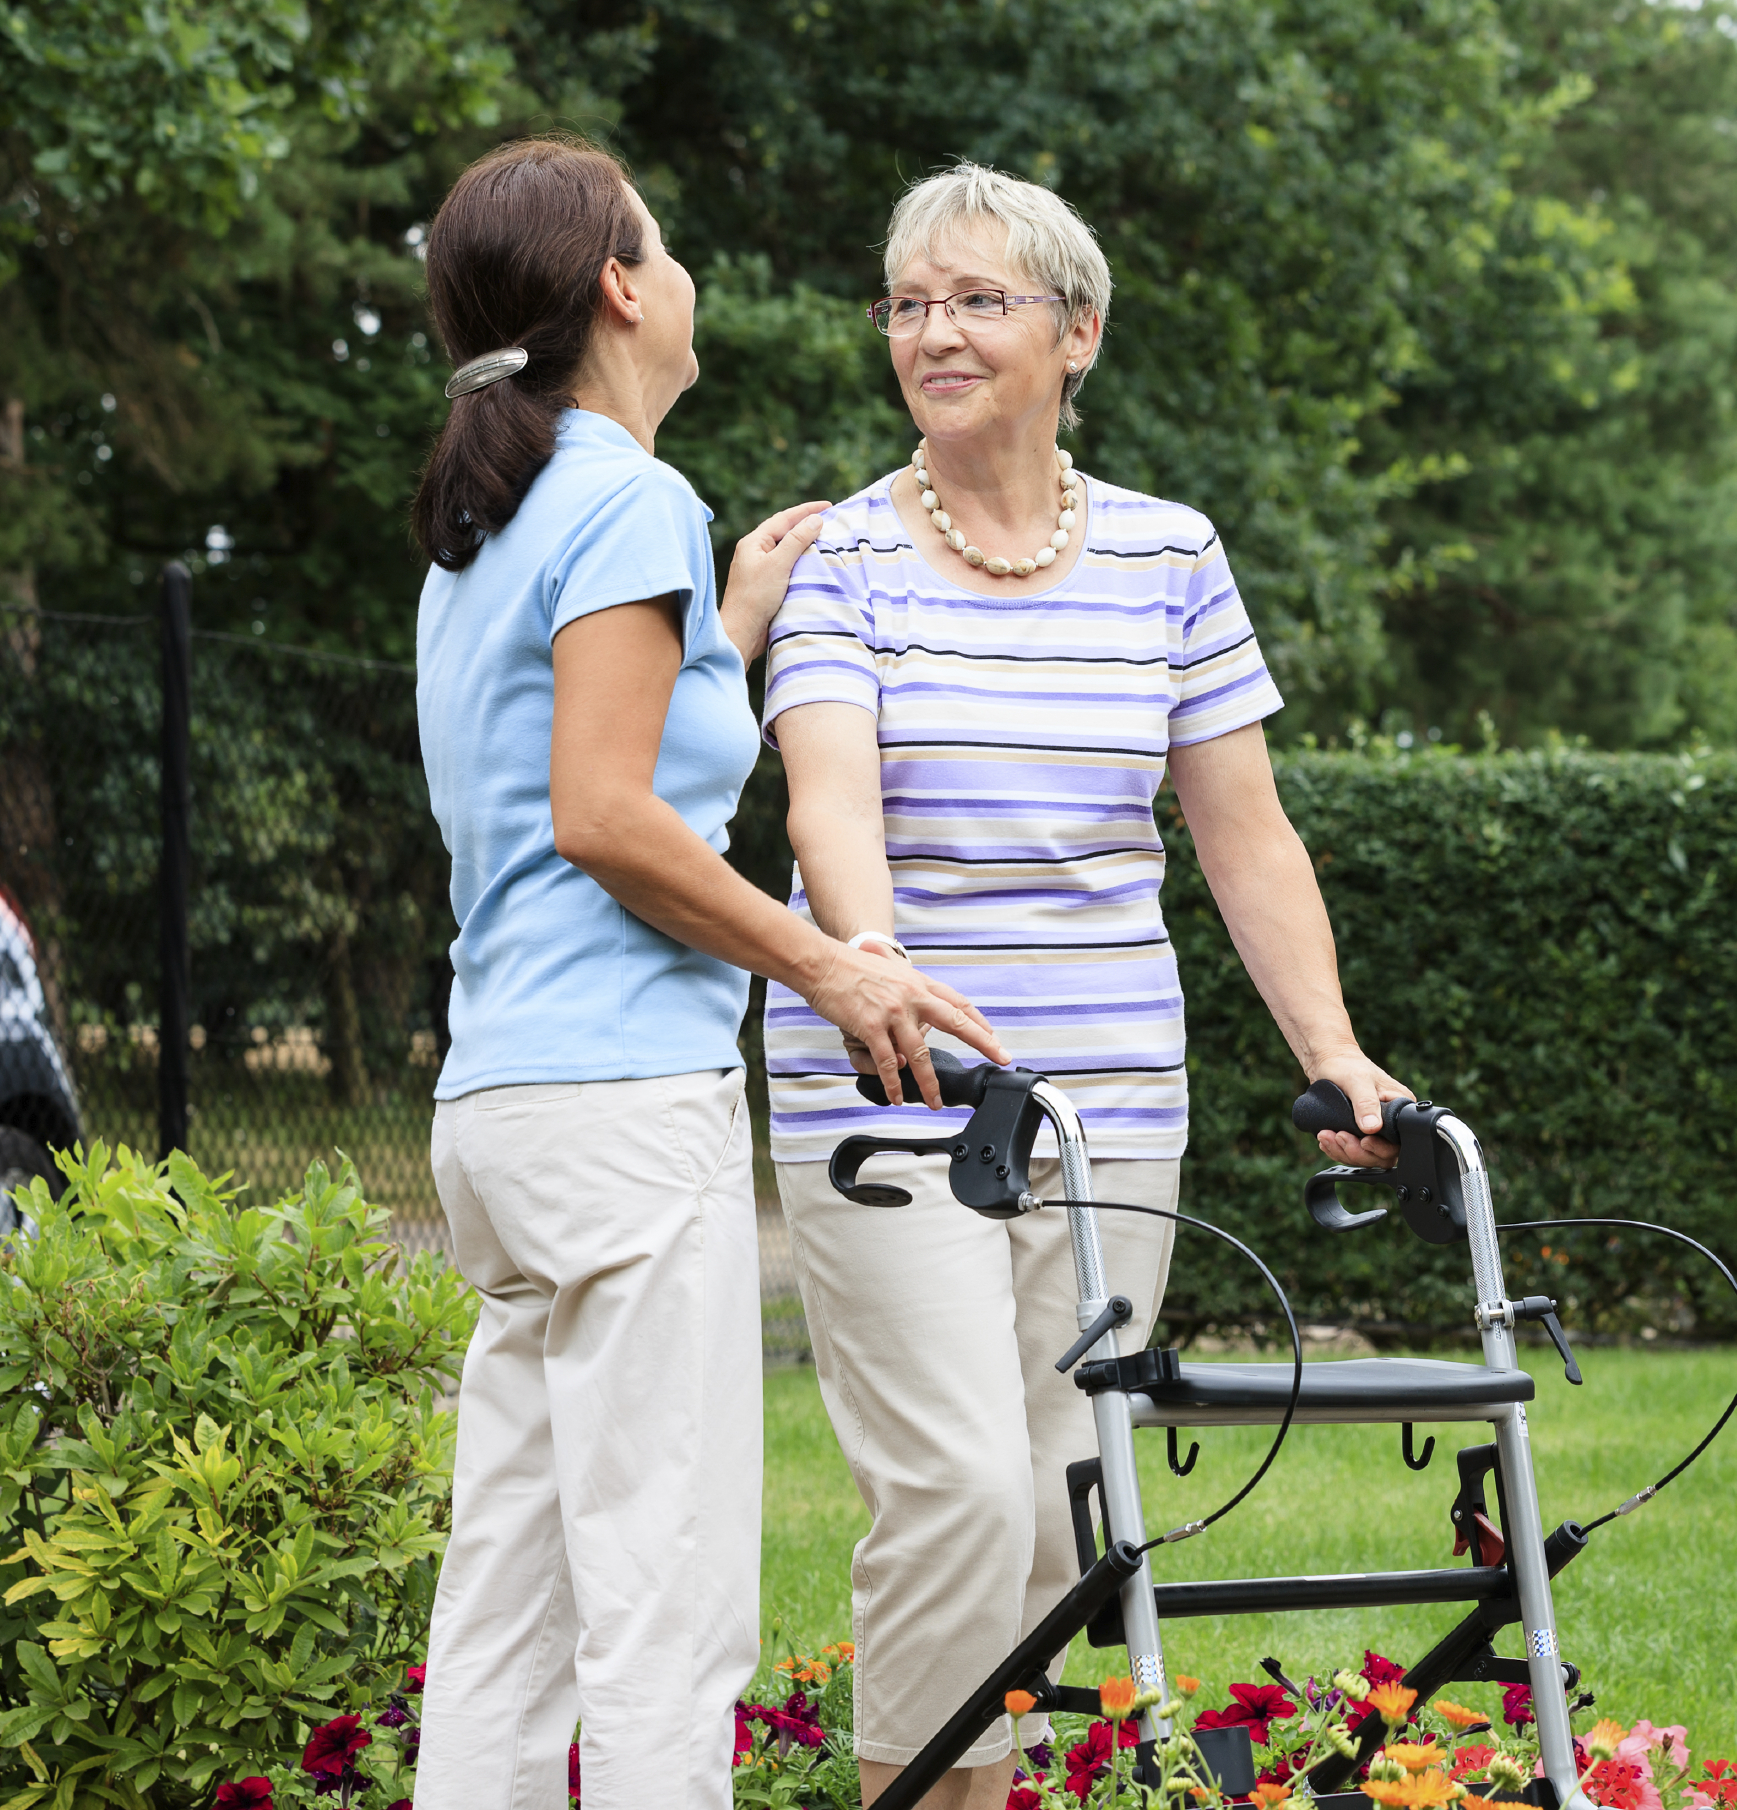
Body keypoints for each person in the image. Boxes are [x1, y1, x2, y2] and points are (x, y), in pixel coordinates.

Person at [753, 162, 1406, 1810]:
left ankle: (1003, 1790)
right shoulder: (843, 559)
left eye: (978, 299)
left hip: (1115, 1101)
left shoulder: (1169, 555)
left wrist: (1335, 1051)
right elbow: (826, 797)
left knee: (1060, 1492)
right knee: (959, 1486)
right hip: (898, 1094)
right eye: (910, 303)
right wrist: (875, 970)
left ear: (1079, 332)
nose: (935, 331)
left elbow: (1244, 837)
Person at [407, 137, 1008, 1810]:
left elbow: (592, 776)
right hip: (620, 1114)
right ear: (616, 285)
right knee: (667, 1611)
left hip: (505, 1115)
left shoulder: (491, 525)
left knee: (508, 1614)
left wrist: (727, 624)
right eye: (662, 247)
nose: (682, 276)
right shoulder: (621, 497)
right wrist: (830, 964)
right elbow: (607, 818)